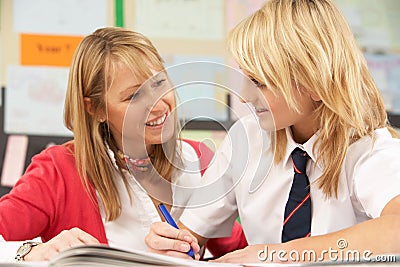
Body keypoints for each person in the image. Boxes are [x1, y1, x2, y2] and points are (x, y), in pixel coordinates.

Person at [145, 0, 400, 263]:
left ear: (315, 83)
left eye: (259, 83)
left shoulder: (371, 150)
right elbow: (192, 234)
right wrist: (172, 244)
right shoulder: (246, 138)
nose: (243, 97)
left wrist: (275, 255)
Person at [0, 27, 246, 262]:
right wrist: (29, 250)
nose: (159, 105)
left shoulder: (198, 158)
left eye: (159, 83)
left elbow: (238, 248)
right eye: (134, 96)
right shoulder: (58, 170)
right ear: (95, 108)